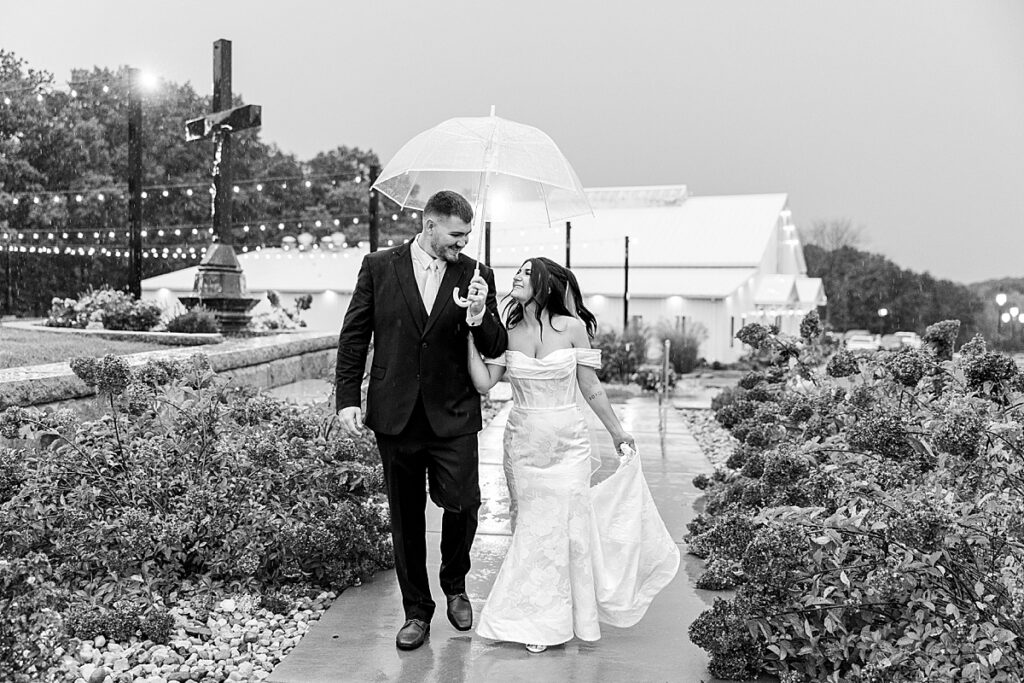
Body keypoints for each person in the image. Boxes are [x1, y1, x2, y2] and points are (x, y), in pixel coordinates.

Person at [466, 257, 679, 653]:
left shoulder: (574, 328)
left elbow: (591, 386)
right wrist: (470, 334)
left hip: (569, 445)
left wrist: (618, 432)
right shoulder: (506, 330)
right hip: (522, 445)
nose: (517, 276)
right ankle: (537, 618)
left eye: (527, 273)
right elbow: (483, 384)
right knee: (532, 526)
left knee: (564, 526)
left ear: (546, 284)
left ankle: (557, 618)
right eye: (519, 270)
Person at [335, 190, 509, 651]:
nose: (462, 242)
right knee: (406, 518)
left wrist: (477, 315)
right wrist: (347, 398)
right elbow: (354, 335)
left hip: (453, 414)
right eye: (456, 234)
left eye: (467, 235)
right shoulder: (378, 266)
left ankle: (455, 583)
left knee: (464, 504)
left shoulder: (477, 274)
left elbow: (495, 344)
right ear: (429, 225)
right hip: (396, 414)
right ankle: (417, 610)